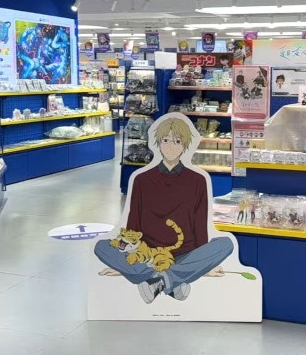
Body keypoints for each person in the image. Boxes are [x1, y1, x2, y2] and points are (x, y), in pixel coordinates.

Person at [95, 117, 234, 304]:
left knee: (225, 244)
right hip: (147, 255)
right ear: (158, 143)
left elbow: (200, 226)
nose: (170, 146)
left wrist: (203, 262)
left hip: (185, 254)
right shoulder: (141, 179)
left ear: (185, 145)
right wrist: (126, 260)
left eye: (177, 141)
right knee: (102, 246)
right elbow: (132, 223)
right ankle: (171, 280)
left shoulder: (197, 180)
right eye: (166, 140)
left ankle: (157, 280)